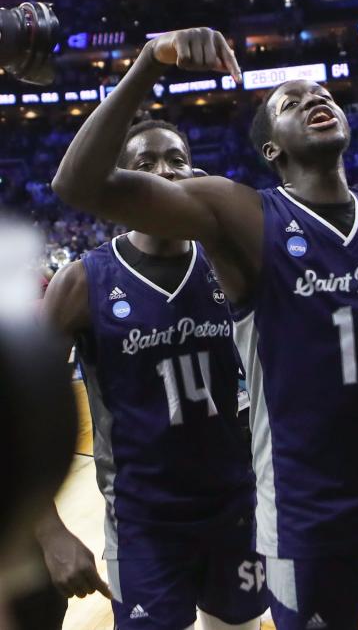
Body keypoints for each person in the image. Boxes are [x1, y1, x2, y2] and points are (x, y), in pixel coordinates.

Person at [52, 25, 358, 630]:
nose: (315, 99)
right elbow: (79, 184)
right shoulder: (244, 216)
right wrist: (151, 62)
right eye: (290, 101)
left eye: (323, 94)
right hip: (306, 519)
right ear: (271, 150)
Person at [43, 120, 265, 630]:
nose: (164, 171)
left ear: (196, 172)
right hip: (143, 523)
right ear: (122, 183)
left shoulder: (231, 266)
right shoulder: (81, 281)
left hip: (236, 509)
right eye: (145, 164)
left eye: (176, 159)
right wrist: (50, 532)